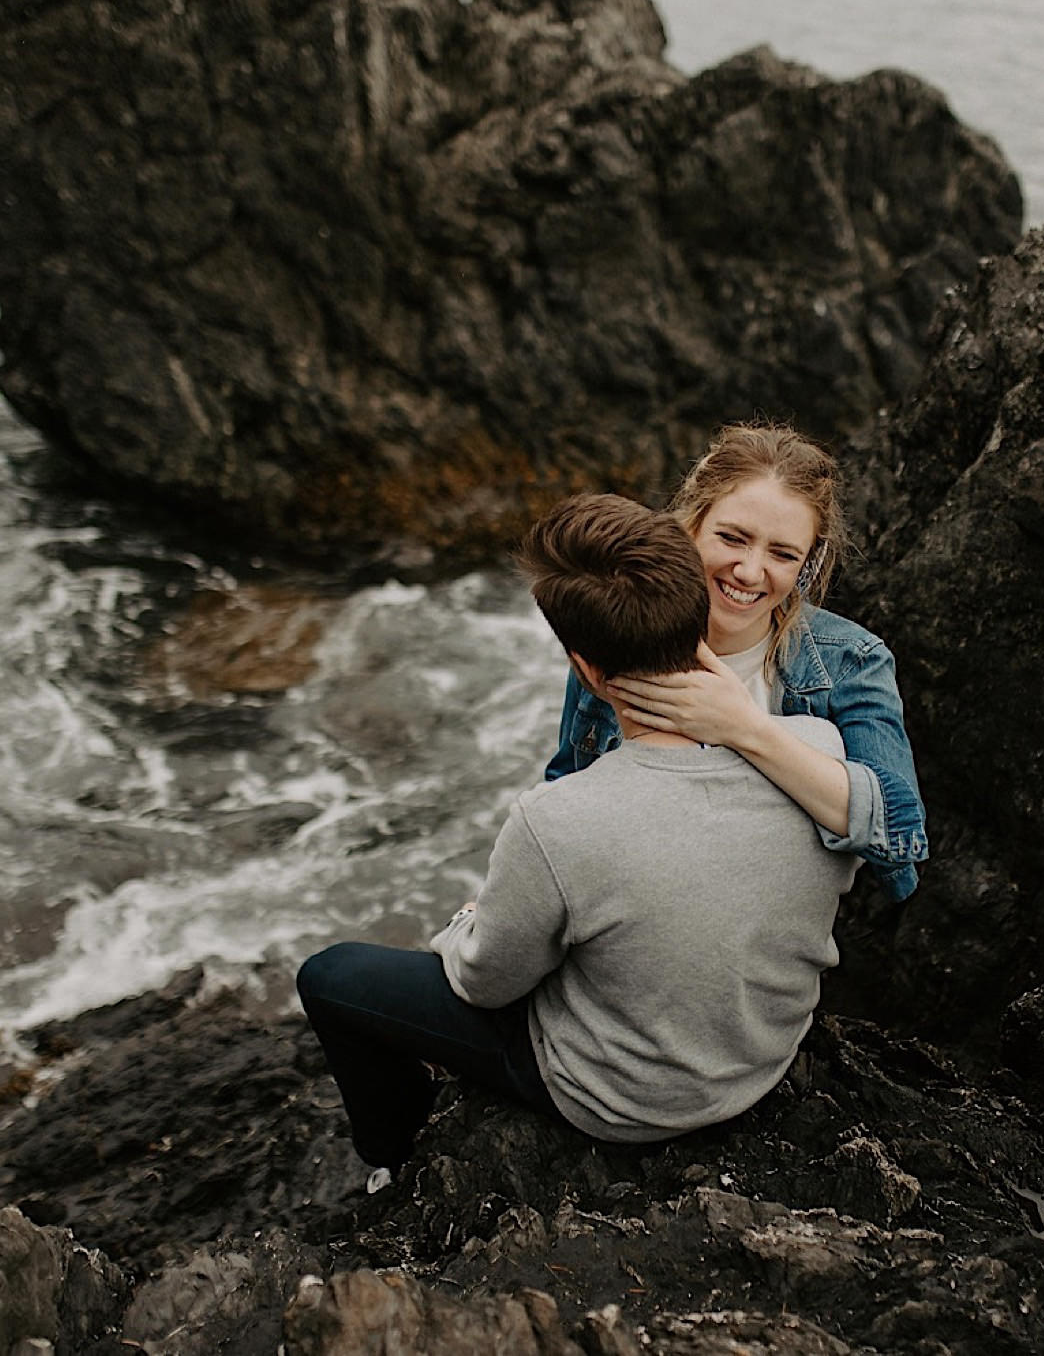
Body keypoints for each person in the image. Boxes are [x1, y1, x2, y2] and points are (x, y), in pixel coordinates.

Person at [296, 493, 860, 1174]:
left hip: (621, 1100)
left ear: (587, 670)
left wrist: (464, 924)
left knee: (329, 977)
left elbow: (485, 984)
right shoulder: (819, 750)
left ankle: (397, 1158)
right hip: (759, 1060)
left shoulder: (558, 819)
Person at [545, 423, 927, 900]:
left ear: (809, 561)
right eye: (732, 538)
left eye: (783, 554)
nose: (749, 571)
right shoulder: (619, 626)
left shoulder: (852, 662)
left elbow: (901, 840)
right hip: (618, 914)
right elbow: (565, 794)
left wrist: (743, 727)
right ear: (692, 522)